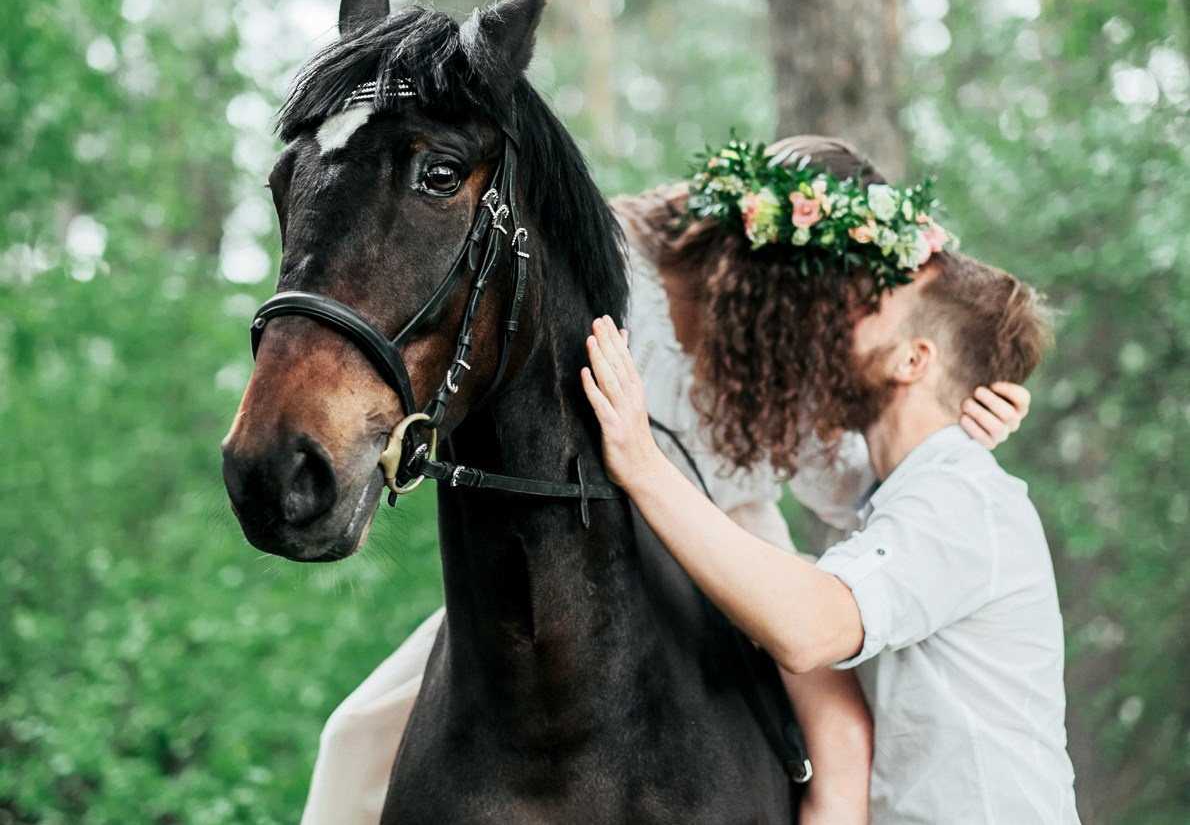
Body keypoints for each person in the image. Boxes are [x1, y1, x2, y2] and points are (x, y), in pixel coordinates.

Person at [299, 137, 1034, 825]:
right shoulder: (614, 268)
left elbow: (856, 486)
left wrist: (956, 422)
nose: (829, 318)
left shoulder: (802, 351)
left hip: (733, 529)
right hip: (586, 534)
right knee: (353, 735)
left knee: (841, 741)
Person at [582, 138, 1079, 822]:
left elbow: (810, 626)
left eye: (867, 304)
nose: (830, 319)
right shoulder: (906, 495)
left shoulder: (961, 497)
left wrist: (640, 463)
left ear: (913, 359)